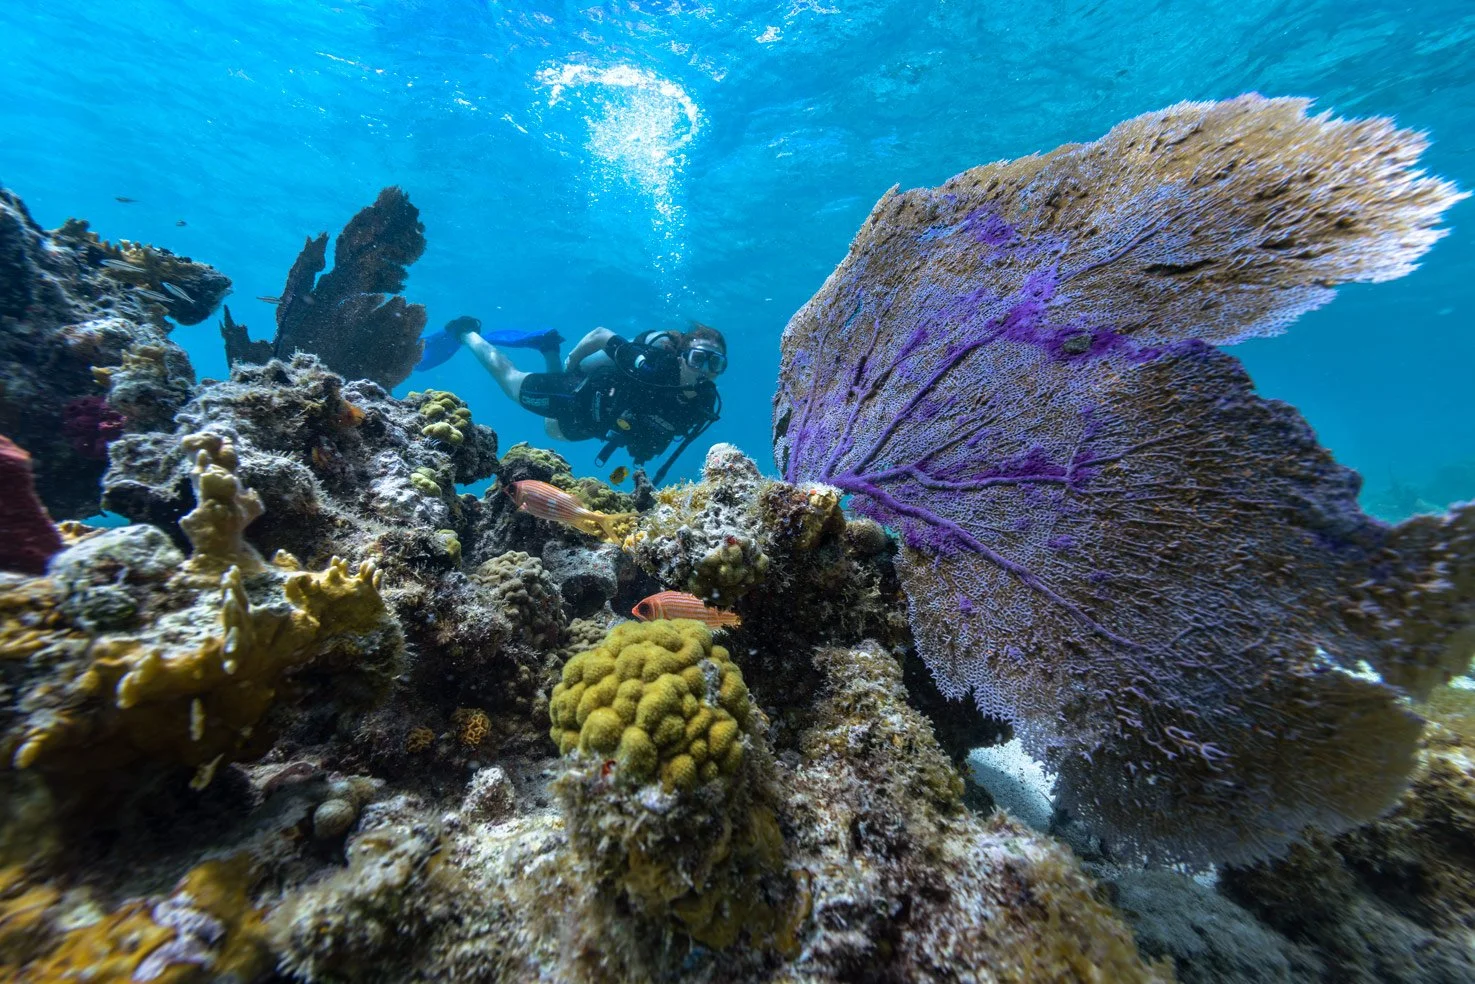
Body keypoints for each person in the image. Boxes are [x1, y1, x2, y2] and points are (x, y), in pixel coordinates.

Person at [420, 317, 726, 483]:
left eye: (715, 364)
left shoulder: (703, 406)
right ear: (683, 356)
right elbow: (602, 333)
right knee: (513, 384)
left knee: (551, 430)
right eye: (698, 358)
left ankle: (547, 346)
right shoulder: (649, 364)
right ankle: (466, 333)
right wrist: (571, 366)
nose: (704, 371)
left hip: (597, 421)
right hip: (581, 393)